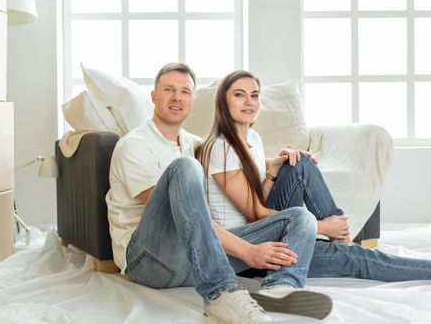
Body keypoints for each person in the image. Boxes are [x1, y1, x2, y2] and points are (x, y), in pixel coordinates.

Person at [106, 63, 332, 324]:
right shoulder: (134, 146)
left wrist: (276, 161)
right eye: (169, 90)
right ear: (154, 97)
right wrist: (248, 251)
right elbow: (185, 213)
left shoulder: (191, 142)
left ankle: (280, 288)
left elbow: (230, 158)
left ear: (192, 99)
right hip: (149, 262)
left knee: (300, 219)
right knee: (185, 166)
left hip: (193, 258)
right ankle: (220, 293)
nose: (177, 97)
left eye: (185, 92)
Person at [195, 69, 431, 291]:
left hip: (269, 232)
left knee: (299, 163)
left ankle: (340, 238)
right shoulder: (220, 148)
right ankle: (336, 239)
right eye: (239, 95)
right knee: (358, 257)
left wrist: (274, 168)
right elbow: (255, 213)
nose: (249, 101)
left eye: (254, 95)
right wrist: (321, 227)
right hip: (248, 251)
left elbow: (261, 199)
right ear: (223, 102)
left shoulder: (252, 139)